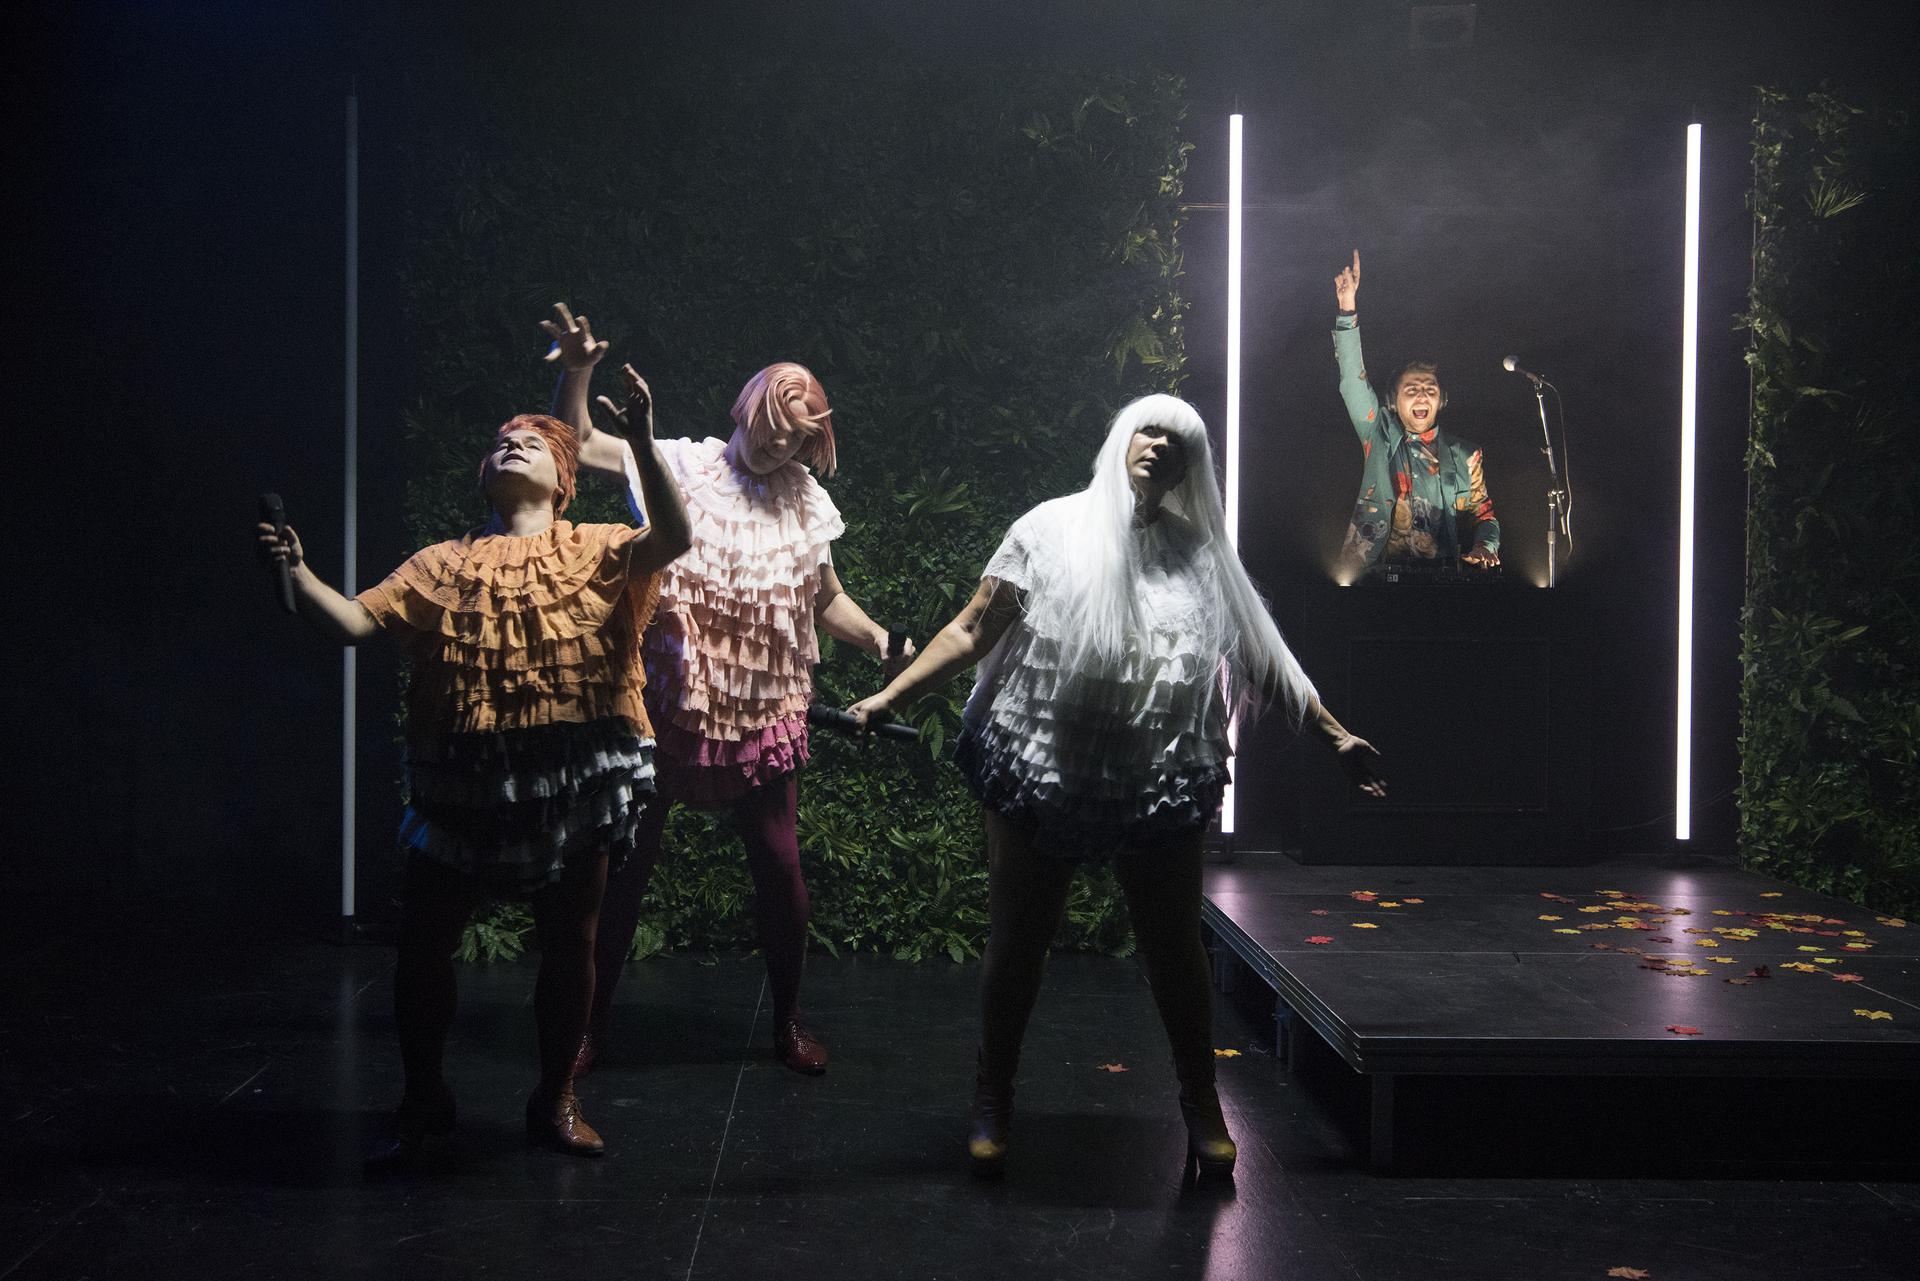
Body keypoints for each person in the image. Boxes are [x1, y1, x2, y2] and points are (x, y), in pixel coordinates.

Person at [846, 393, 1386, 1179]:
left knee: (1174, 947)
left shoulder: (1200, 554)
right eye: (1149, 429)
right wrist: (890, 696)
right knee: (1017, 940)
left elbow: (1262, 653)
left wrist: (1334, 733)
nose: (1159, 445)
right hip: (1042, 763)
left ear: (1190, 465)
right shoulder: (1047, 530)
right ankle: (993, 1094)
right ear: (1122, 439)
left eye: (1178, 440)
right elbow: (972, 627)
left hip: (1156, 773)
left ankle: (1200, 1100)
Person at [255, 367, 691, 1163]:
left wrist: (641, 445)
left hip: (578, 778)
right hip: (462, 779)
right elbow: (352, 621)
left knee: (573, 942)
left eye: (531, 441)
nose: (511, 444)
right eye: (500, 443)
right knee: (424, 942)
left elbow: (673, 538)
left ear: (564, 481)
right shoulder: (438, 563)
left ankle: (555, 1096)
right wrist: (299, 570)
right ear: (485, 476)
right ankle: (424, 1098)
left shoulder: (599, 546)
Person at [541, 305, 913, 1077]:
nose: (781, 443)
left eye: (799, 436)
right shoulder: (682, 464)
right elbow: (577, 440)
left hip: (764, 705)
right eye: (775, 425)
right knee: (625, 866)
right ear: (749, 407)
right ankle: (586, 1024)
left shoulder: (805, 500)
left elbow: (826, 599)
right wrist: (577, 371)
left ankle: (788, 1019)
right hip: (668, 701)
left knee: (780, 866)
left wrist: (878, 637)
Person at [1331, 251, 1500, 575]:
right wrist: (1347, 308)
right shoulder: (1378, 435)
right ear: (1393, 402)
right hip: (1374, 576)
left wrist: (1485, 546)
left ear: (1441, 399)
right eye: (1411, 389)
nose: (1422, 394)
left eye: (1429, 389)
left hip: (1441, 580)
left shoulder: (1465, 455)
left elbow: (1484, 516)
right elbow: (1353, 381)